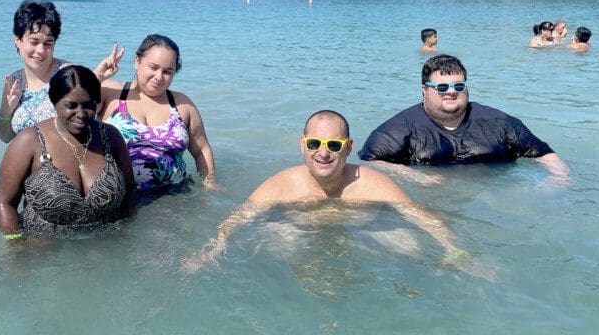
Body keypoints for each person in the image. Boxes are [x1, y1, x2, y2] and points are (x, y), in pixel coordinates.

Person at [184, 110, 469, 272]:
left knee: (411, 246)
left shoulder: (371, 183)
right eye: (314, 144)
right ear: (302, 144)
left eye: (333, 145)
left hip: (360, 231)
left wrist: (454, 251)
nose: (323, 153)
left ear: (347, 146)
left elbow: (420, 215)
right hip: (297, 228)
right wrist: (213, 248)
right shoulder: (282, 185)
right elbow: (238, 218)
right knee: (279, 242)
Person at [358, 55, 569, 181]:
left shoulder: (499, 122)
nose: (451, 92)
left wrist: (558, 181)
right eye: (441, 87)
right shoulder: (397, 129)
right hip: (436, 200)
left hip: (493, 195)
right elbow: (369, 162)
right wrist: (416, 177)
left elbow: (544, 154)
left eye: (458, 86)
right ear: (424, 90)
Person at [0, 65, 135, 237]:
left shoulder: (110, 136)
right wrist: (16, 246)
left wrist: (126, 238)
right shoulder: (28, 141)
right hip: (46, 249)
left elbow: (129, 192)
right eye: (71, 105)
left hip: (103, 246)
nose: (81, 114)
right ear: (55, 102)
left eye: (88, 105)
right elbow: (5, 203)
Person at [0, 0, 125, 143]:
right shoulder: (14, 80)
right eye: (34, 42)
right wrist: (5, 112)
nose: (41, 50)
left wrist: (96, 78)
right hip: (24, 162)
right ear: (17, 40)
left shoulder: (68, 73)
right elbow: (5, 137)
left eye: (48, 43)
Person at [101, 34, 216, 193]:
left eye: (168, 71)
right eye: (153, 67)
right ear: (137, 61)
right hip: (120, 198)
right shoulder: (111, 93)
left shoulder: (183, 105)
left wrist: (210, 184)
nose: (159, 77)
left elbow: (201, 149)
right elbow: (68, 105)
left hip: (175, 199)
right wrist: (98, 76)